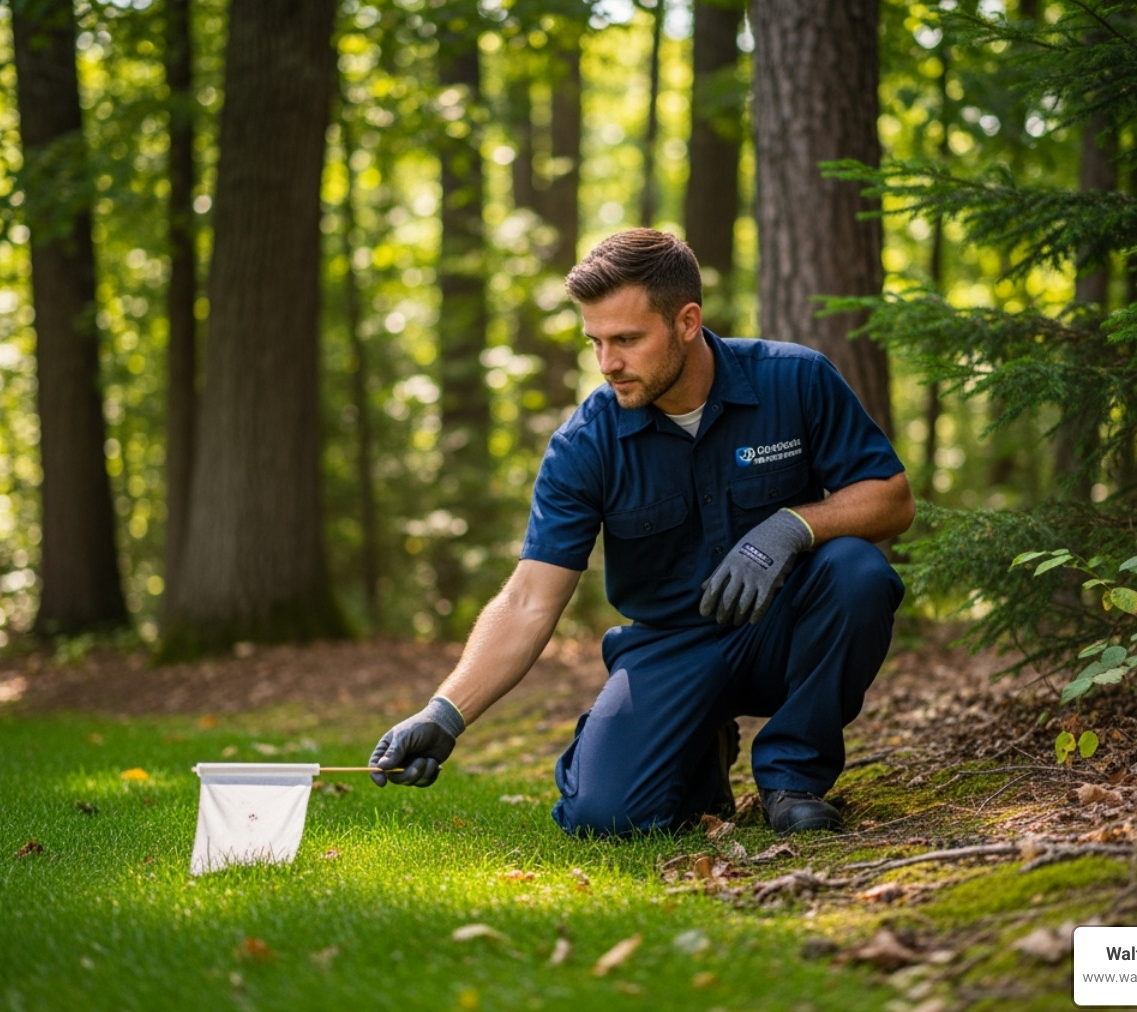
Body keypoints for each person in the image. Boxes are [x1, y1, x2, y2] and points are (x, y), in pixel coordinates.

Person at [369, 229, 914, 836]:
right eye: (595, 342)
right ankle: (697, 747)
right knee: (607, 818)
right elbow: (528, 599)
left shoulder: (796, 379)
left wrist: (793, 525)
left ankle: (792, 778)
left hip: (783, 633)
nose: (608, 364)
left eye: (626, 339)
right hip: (669, 648)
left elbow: (891, 499)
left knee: (857, 574)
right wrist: (446, 712)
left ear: (687, 322)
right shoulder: (586, 443)